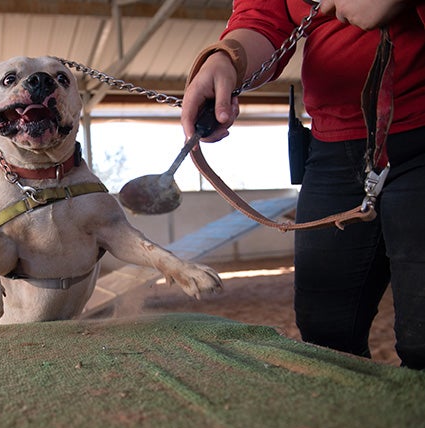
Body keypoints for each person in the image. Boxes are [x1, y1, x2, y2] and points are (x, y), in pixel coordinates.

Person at [181, 0, 425, 369]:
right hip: (333, 145)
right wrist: (227, 58)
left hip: (418, 129)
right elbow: (264, 16)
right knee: (324, 336)